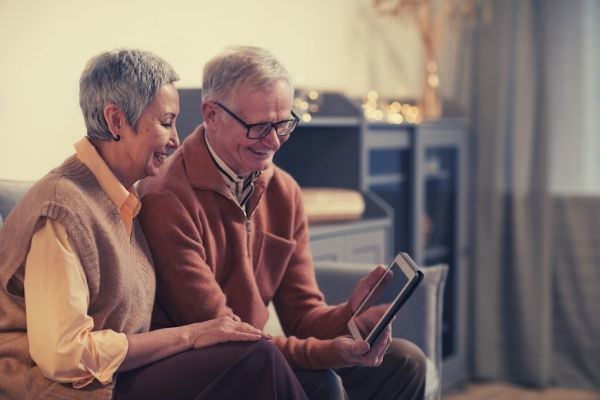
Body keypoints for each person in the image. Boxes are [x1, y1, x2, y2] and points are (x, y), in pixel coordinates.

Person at [0, 49, 307, 400]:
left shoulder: (122, 199)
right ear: (116, 121)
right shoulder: (61, 209)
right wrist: (190, 335)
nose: (176, 139)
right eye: (165, 122)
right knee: (256, 360)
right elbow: (64, 356)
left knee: (288, 373)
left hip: (118, 375)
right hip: (60, 388)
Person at [138, 45, 427, 400]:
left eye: (283, 124)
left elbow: (303, 317)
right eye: (259, 127)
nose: (274, 142)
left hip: (259, 352)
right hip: (208, 366)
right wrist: (332, 352)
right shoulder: (166, 198)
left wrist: (351, 315)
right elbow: (230, 336)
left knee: (406, 363)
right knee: (321, 383)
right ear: (211, 114)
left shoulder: (283, 191)